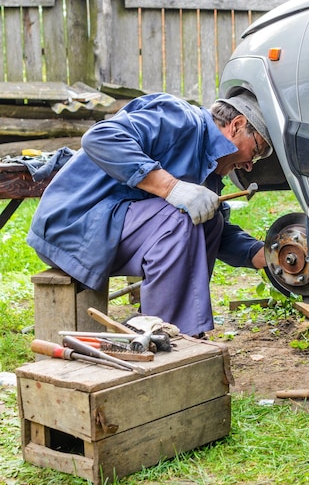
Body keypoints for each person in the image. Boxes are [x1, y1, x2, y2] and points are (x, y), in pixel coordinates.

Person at [27, 90, 273, 337]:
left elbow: (211, 230)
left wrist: (259, 254)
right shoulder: (179, 119)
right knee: (179, 217)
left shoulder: (210, 167)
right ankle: (165, 340)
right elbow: (100, 137)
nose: (250, 165)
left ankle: (172, 331)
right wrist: (170, 187)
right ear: (237, 125)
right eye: (256, 151)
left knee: (210, 221)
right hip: (72, 225)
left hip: (108, 236)